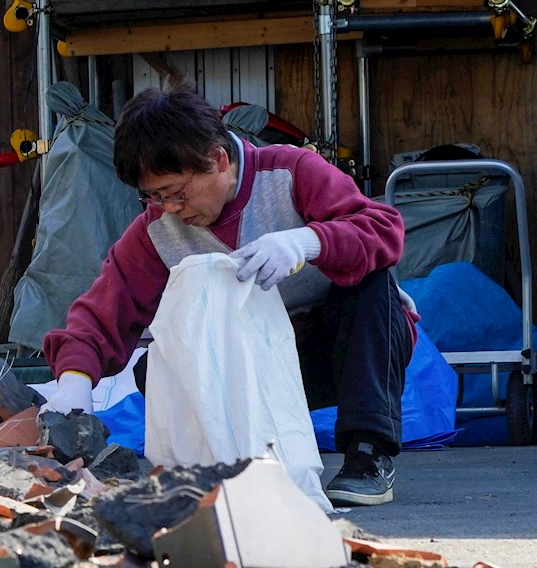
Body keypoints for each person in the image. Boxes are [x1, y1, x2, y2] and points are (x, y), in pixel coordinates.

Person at [41, 84, 413, 506]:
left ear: (218, 159)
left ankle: (368, 455)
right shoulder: (156, 231)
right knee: (154, 367)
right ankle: (222, 469)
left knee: (371, 282)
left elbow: (383, 228)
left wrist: (306, 242)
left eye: (178, 192)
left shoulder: (292, 171)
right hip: (250, 371)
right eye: (156, 197)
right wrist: (74, 381)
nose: (172, 209)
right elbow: (104, 307)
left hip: (342, 354)